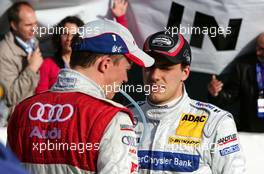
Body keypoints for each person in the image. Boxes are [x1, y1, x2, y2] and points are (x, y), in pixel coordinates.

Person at [7, 19, 154, 174]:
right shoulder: (111, 118)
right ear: (105, 64)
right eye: (126, 69)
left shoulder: (22, 110)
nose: (126, 78)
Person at [131, 31, 246, 173]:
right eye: (149, 66)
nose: (154, 76)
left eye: (165, 67)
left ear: (185, 72)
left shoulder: (215, 122)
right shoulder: (124, 119)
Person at [35, 0, 129, 93]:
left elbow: (119, 47)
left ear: (81, 37)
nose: (69, 38)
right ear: (58, 36)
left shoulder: (88, 61)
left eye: (73, 34)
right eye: (65, 34)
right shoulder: (48, 64)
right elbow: (41, 95)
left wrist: (120, 18)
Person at [208, 33, 264, 132]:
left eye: (263, 49)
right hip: (251, 132)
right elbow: (230, 96)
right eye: (257, 47)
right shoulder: (243, 67)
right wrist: (216, 93)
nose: (257, 52)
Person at [0, 1, 43, 118]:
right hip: (16, 119)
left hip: (34, 113)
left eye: (35, 23)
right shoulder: (4, 52)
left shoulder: (33, 41)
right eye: (28, 25)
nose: (34, 29)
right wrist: (31, 68)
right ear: (14, 25)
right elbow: (9, 97)